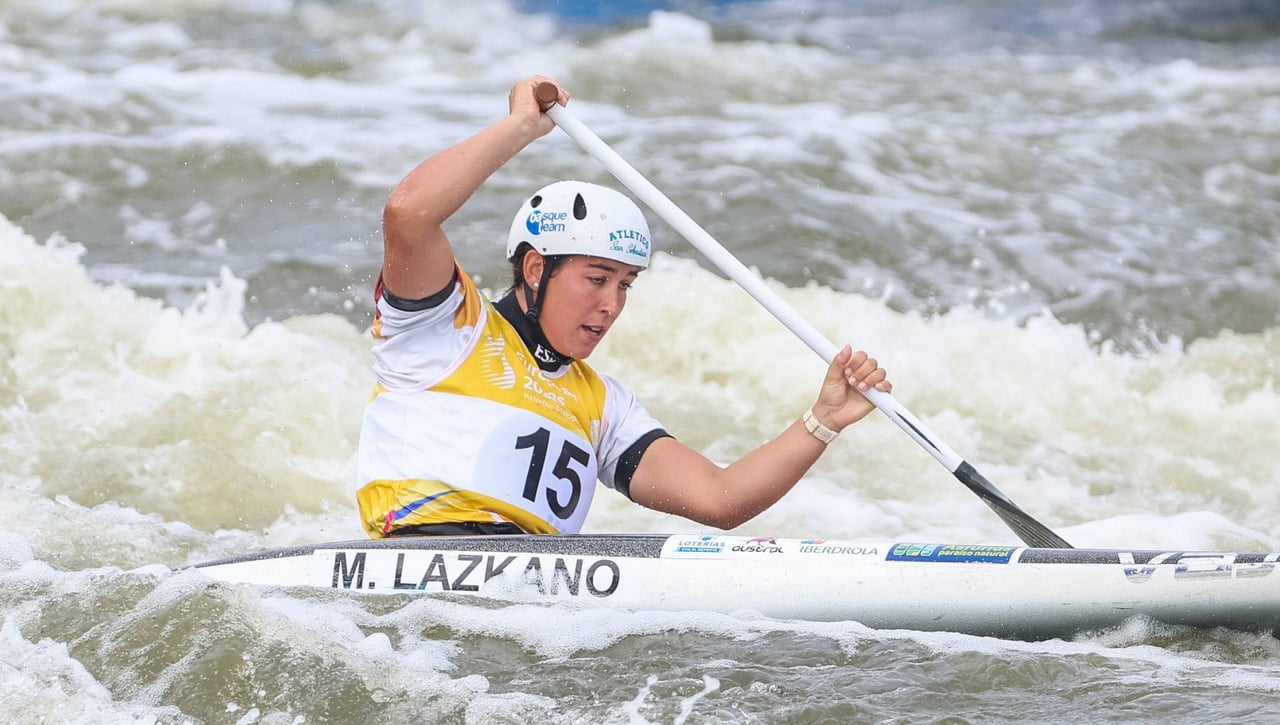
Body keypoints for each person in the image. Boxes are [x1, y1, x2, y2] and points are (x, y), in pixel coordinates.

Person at [355, 75, 892, 539]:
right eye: (596, 278)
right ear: (537, 270)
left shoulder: (604, 407)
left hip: (525, 616)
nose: (612, 304)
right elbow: (409, 215)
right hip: (414, 581)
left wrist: (823, 421)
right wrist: (522, 126)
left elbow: (719, 499)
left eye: (626, 284)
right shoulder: (445, 326)